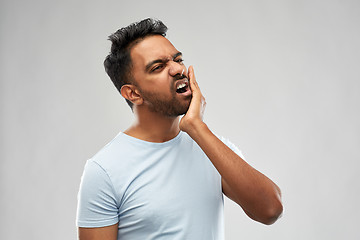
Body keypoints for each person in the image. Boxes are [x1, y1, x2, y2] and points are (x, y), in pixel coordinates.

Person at [76, 18, 283, 240]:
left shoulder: (211, 147)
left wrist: (197, 127)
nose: (177, 69)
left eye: (178, 59)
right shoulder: (104, 170)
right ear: (133, 93)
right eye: (158, 67)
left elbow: (270, 210)